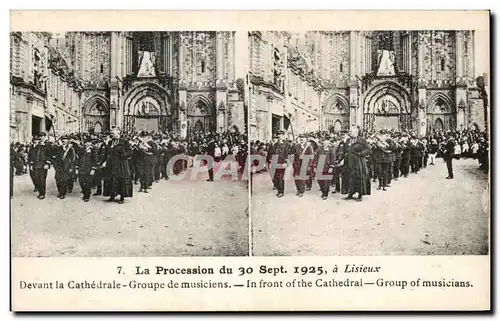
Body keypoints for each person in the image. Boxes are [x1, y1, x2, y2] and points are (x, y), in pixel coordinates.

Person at [103, 127, 133, 204]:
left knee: (121, 179)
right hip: (112, 164)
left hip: (121, 164)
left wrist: (124, 155)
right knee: (111, 179)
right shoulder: (110, 142)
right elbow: (107, 153)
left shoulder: (124, 142)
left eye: (113, 133)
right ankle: (112, 195)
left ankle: (122, 197)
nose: (111, 134)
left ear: (118, 132)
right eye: (111, 133)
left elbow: (130, 152)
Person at [343, 127, 371, 202]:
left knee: (359, 177)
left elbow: (368, 150)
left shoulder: (362, 140)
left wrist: (361, 154)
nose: (349, 132)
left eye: (351, 131)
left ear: (356, 132)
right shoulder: (348, 140)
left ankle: (360, 194)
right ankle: (351, 192)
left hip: (359, 162)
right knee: (350, 178)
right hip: (349, 161)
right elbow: (344, 150)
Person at [28, 133, 52, 200]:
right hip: (36, 165)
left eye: (41, 137)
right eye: (39, 137)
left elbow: (49, 155)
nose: (40, 138)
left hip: (43, 165)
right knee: (37, 179)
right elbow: (32, 156)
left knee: (42, 180)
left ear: (44, 137)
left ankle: (42, 194)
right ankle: (40, 192)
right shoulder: (36, 146)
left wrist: (47, 163)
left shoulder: (48, 145)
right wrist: (31, 164)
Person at [75, 138, 98, 202]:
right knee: (81, 182)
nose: (87, 143)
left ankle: (87, 196)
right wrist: (76, 168)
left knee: (88, 183)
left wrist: (93, 169)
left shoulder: (93, 150)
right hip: (81, 169)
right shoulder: (81, 149)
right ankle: (85, 193)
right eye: (86, 142)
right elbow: (77, 159)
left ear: (90, 143)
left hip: (89, 169)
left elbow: (95, 160)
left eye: (88, 142)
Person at [272, 130, 289, 198]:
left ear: (283, 135)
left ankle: (281, 192)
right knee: (276, 177)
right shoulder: (276, 144)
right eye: (278, 135)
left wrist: (286, 162)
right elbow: (274, 153)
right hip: (275, 162)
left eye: (280, 135)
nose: (279, 136)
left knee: (281, 177)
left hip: (282, 163)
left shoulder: (286, 144)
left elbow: (287, 154)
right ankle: (279, 190)